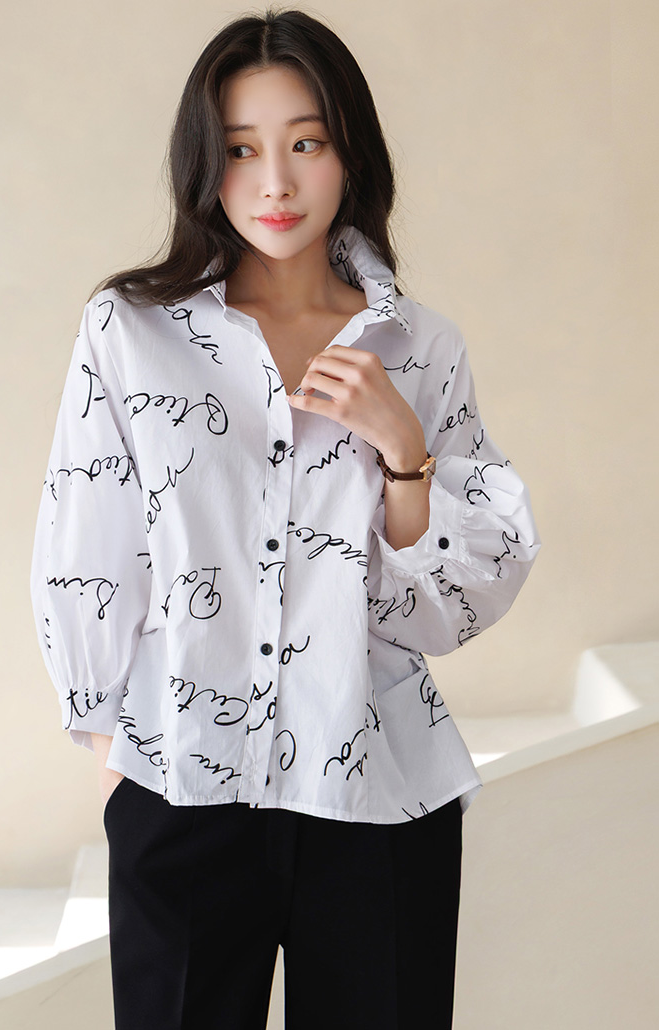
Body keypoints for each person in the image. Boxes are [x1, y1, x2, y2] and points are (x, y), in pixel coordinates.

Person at [30, 7, 541, 1029]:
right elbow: (87, 541)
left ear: (350, 153)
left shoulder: (422, 349)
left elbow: (454, 605)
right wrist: (109, 738)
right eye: (240, 149)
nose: (275, 182)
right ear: (204, 164)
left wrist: (403, 452)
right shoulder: (130, 332)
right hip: (183, 783)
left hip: (377, 794)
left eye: (305, 143)